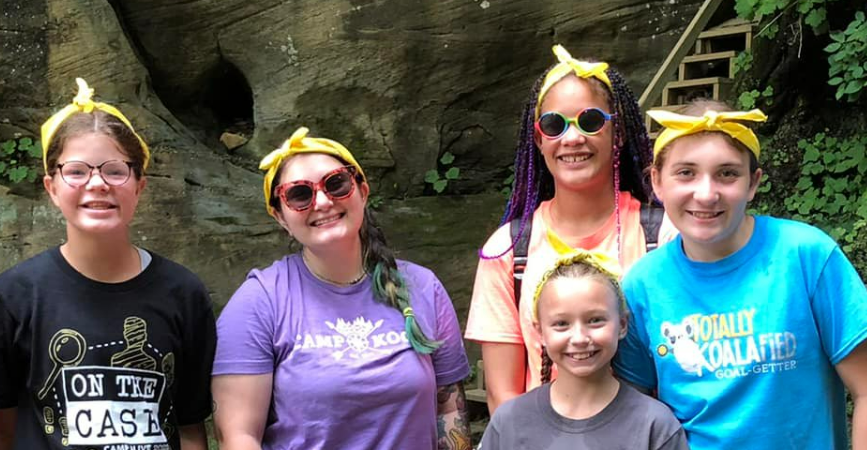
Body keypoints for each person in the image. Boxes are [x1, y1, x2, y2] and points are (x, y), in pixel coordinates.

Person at [612, 100, 867, 449]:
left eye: (727, 173)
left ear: (753, 182)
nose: (706, 193)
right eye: (686, 172)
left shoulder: (806, 257)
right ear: (657, 181)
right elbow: (632, 414)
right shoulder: (642, 286)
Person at [0, 79, 215, 450]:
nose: (98, 183)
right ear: (51, 186)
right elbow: (3, 431)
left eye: (116, 170)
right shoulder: (15, 294)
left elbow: (190, 428)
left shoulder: (183, 293)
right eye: (76, 171)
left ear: (139, 186)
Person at [212, 127, 472, 450]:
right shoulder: (260, 301)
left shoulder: (422, 287)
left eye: (336, 183)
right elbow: (238, 437)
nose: (322, 201)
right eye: (299, 194)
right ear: (280, 216)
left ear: (362, 191)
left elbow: (448, 410)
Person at [467, 44, 673, 412]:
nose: (572, 138)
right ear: (538, 138)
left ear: (619, 133)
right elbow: (504, 399)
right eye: (554, 124)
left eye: (591, 121)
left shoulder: (664, 236)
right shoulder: (510, 249)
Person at [478, 234, 686, 450]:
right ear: (539, 331)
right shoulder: (509, 422)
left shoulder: (655, 426)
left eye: (595, 320)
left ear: (623, 324)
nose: (579, 338)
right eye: (561, 324)